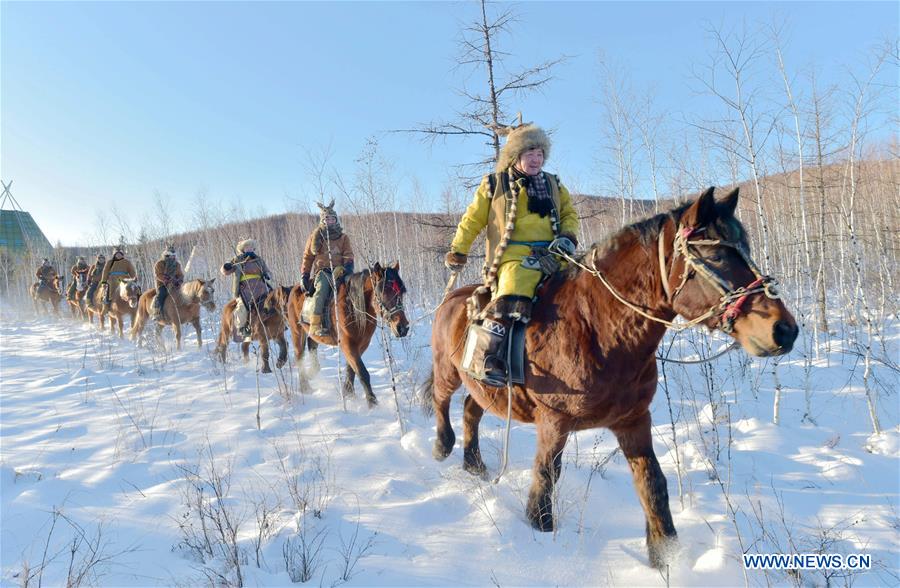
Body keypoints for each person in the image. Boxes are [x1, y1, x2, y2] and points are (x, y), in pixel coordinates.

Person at [445, 122, 580, 386]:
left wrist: (567, 236)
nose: (536, 159)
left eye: (540, 153)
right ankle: (488, 357)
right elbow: (472, 220)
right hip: (512, 255)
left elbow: (569, 214)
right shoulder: (494, 184)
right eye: (530, 153)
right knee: (515, 283)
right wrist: (458, 251)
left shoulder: (554, 184)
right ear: (516, 155)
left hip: (554, 253)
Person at [300, 200, 354, 337]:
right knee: (322, 290)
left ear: (336, 220)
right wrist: (304, 275)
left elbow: (348, 254)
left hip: (340, 270)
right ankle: (315, 323)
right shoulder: (315, 236)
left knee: (353, 289)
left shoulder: (343, 237)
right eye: (327, 219)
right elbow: (308, 257)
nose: (330, 220)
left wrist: (347, 267)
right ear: (323, 220)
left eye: (332, 218)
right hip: (323, 271)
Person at [221, 239, 273, 338]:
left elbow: (268, 271)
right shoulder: (237, 260)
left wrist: (267, 275)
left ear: (253, 248)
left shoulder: (259, 260)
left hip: (260, 287)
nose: (249, 248)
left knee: (274, 301)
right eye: (247, 247)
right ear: (243, 249)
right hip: (245, 289)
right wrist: (226, 267)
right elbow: (226, 272)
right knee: (242, 307)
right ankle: (242, 329)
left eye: (251, 247)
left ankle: (279, 324)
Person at [151, 245, 184, 320]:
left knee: (184, 295)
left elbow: (180, 274)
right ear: (167, 255)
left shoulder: (177, 264)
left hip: (175, 285)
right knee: (161, 295)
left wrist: (179, 280)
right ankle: (157, 312)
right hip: (162, 284)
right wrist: (168, 279)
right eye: (171, 255)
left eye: (174, 255)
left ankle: (185, 313)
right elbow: (158, 275)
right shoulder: (159, 264)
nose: (173, 257)